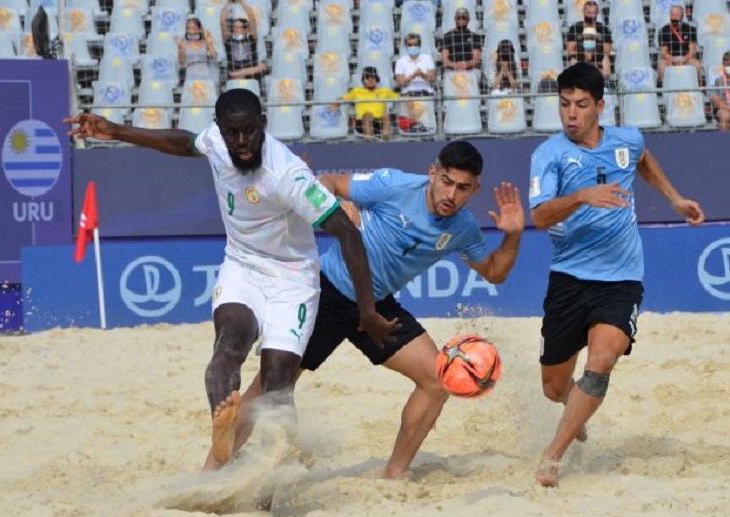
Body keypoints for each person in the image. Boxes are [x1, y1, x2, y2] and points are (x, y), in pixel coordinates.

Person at [64, 89, 398, 470]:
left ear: (263, 125)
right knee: (229, 342)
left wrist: (367, 310)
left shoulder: (287, 175)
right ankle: (222, 435)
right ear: (220, 130)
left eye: (250, 132)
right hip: (242, 264)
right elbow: (185, 143)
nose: (241, 142)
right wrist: (115, 131)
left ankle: (273, 473)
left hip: (293, 280)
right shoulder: (217, 142)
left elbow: (348, 233)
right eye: (232, 133)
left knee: (277, 380)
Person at [216, 141, 525, 478]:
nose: (452, 193)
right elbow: (329, 182)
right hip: (328, 294)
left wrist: (512, 236)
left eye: (463, 188)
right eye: (447, 181)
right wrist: (339, 204)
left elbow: (494, 272)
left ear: (475, 189)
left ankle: (393, 475)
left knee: (436, 383)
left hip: (377, 308)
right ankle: (211, 472)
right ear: (432, 173)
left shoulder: (462, 228)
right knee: (269, 386)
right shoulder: (395, 184)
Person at [527, 63, 705, 487]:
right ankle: (574, 408)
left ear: (600, 107)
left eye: (581, 105)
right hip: (569, 277)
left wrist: (675, 199)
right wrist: (581, 196)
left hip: (621, 278)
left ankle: (553, 457)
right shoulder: (548, 154)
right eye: (565, 104)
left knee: (602, 360)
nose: (571, 114)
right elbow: (538, 216)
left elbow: (642, 159)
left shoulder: (627, 139)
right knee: (554, 387)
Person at [340, 66, 400, 141]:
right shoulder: (356, 91)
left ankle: (386, 136)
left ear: (376, 79)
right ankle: (368, 138)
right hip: (362, 123)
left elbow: (398, 97)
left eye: (373, 78)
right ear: (363, 80)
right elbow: (343, 98)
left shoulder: (384, 91)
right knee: (368, 115)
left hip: (379, 123)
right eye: (367, 78)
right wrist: (336, 102)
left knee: (386, 115)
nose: (370, 80)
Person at [219, 0, 267, 82]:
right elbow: (222, 22)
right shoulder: (229, 40)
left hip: (251, 76)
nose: (235, 29)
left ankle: (240, 73)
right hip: (234, 75)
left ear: (245, 29)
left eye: (238, 27)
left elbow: (252, 19)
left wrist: (242, 2)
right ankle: (238, 74)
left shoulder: (251, 39)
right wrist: (228, 3)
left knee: (262, 67)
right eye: (234, 27)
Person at [566, 1, 612, 80]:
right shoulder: (575, 28)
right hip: (580, 58)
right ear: (583, 11)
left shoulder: (603, 29)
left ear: (597, 13)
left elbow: (607, 50)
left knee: (606, 58)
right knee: (573, 60)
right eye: (589, 12)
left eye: (594, 13)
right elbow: (570, 50)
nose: (591, 15)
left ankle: (603, 82)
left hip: (598, 58)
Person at [657, 5, 703, 84]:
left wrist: (684, 59)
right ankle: (664, 91)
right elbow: (664, 52)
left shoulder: (690, 29)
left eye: (676, 15)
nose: (674, 18)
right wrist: (674, 60)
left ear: (682, 16)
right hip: (670, 59)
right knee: (662, 66)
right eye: (672, 15)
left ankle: (698, 90)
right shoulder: (664, 30)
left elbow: (692, 51)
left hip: (687, 58)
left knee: (697, 65)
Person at [175, 17, 219, 83]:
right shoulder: (183, 43)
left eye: (194, 28)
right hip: (190, 75)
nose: (191, 31)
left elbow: (214, 56)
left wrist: (208, 40)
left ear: (199, 29)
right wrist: (181, 48)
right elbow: (181, 62)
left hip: (206, 75)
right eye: (189, 28)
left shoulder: (205, 42)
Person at [394, 32, 436, 97]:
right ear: (406, 46)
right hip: (408, 94)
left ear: (419, 45)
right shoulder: (400, 61)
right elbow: (399, 83)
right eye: (410, 45)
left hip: (426, 92)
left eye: (415, 44)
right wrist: (412, 76)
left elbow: (432, 78)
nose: (412, 47)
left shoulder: (427, 58)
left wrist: (422, 74)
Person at [441, 8, 482, 73]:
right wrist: (455, 65)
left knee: (477, 73)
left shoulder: (475, 36)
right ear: (455, 19)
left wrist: (466, 65)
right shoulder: (447, 36)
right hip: (452, 69)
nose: (461, 20)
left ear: (468, 20)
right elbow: (444, 58)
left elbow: (476, 59)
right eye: (459, 18)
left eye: (464, 18)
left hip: (470, 69)